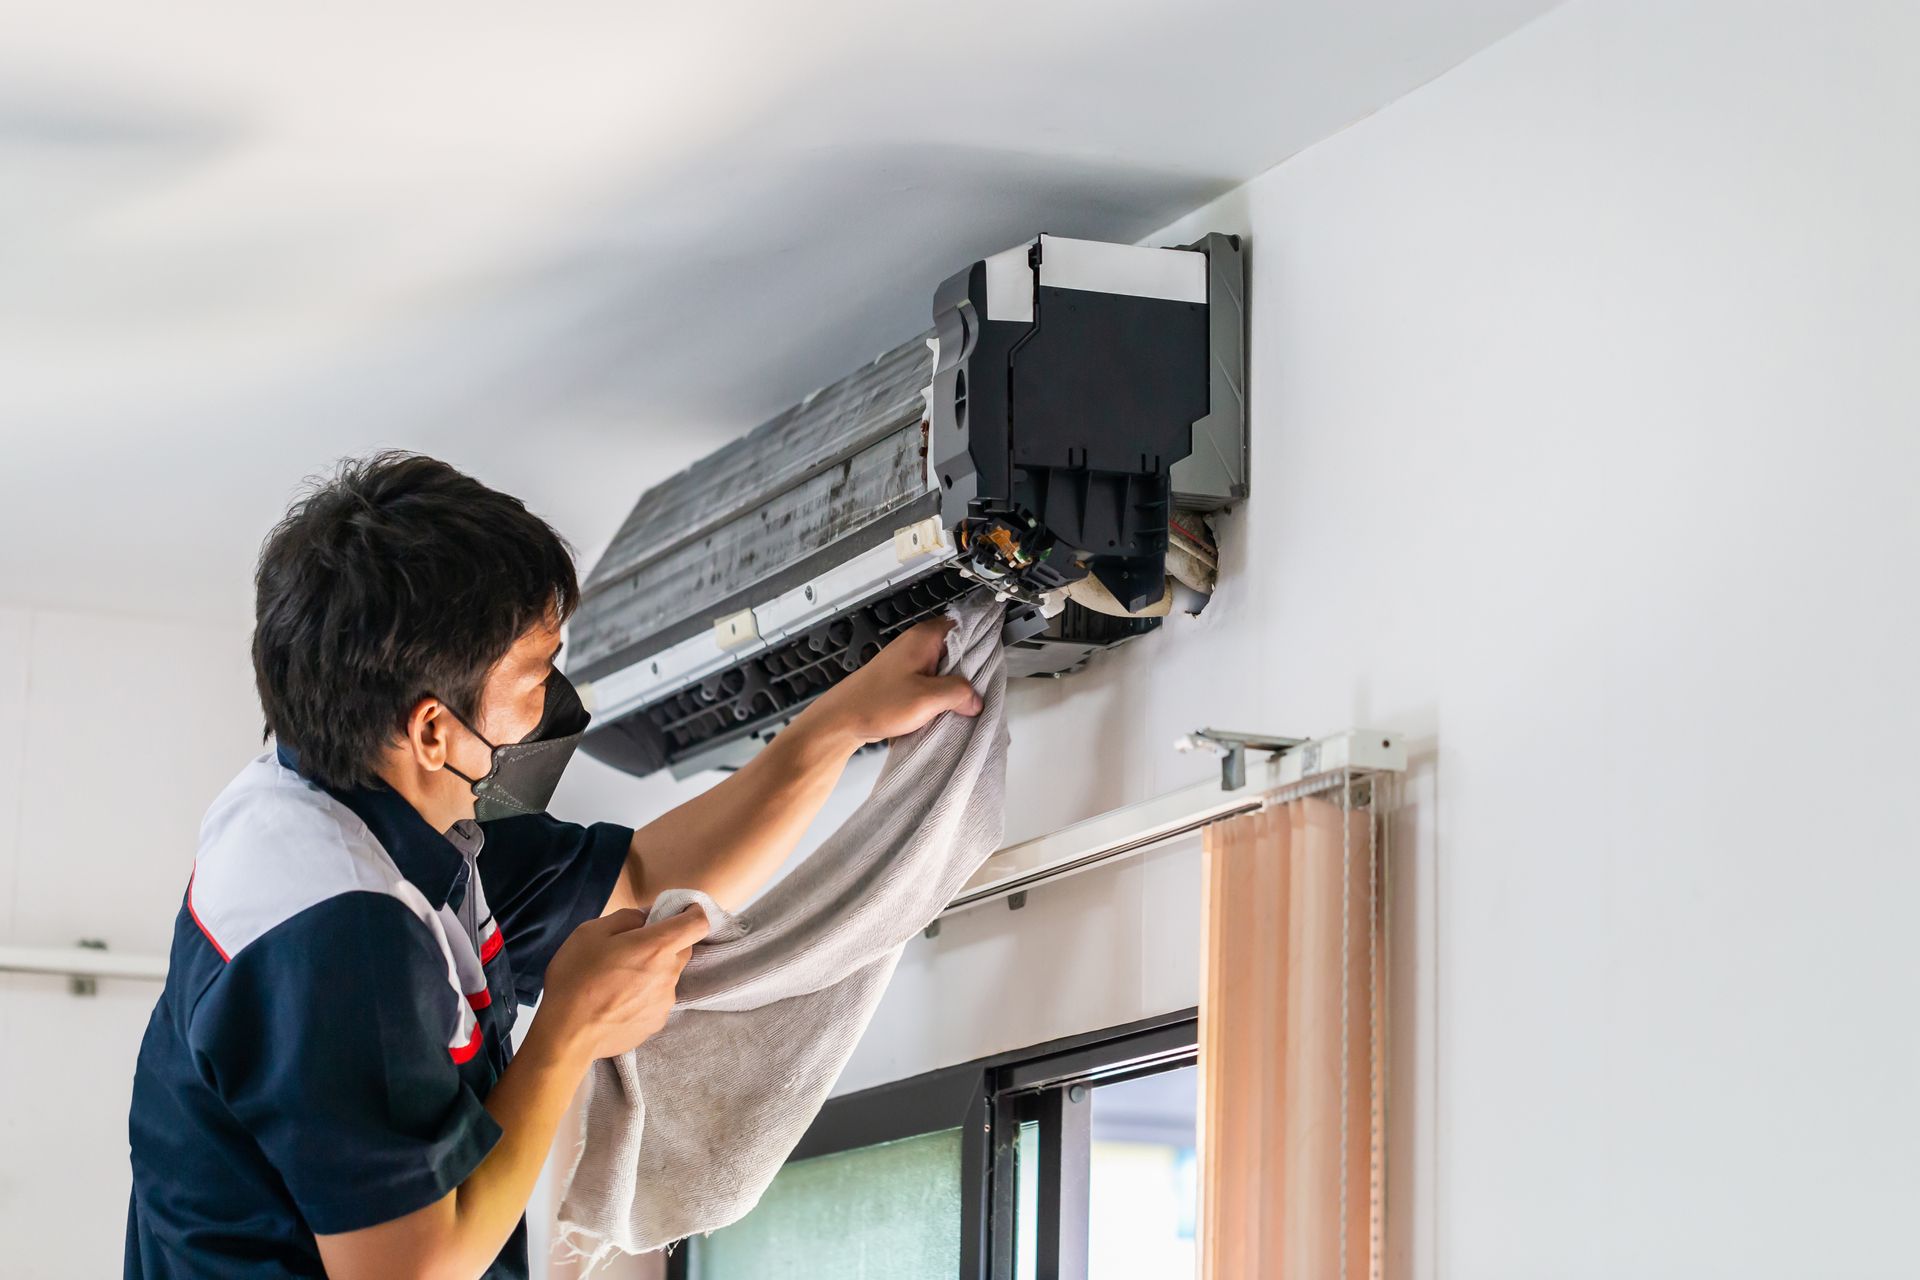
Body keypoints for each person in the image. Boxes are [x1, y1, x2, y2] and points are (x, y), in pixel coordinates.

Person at [124, 452, 982, 1278]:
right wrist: (568, 1031)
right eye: (535, 672)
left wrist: (842, 722)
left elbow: (645, 875)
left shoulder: (366, 805)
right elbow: (409, 1275)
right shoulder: (340, 935)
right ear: (432, 729)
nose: (550, 701)